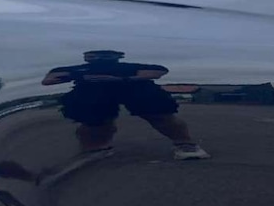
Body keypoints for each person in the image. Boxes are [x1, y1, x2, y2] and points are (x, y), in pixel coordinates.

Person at [42, 49, 210, 160]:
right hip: (92, 93)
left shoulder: (131, 67)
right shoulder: (76, 69)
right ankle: (96, 149)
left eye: (106, 55)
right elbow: (48, 80)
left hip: (133, 88)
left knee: (161, 116)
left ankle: (185, 145)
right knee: (94, 122)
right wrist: (69, 77)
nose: (100, 58)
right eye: (94, 55)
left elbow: (159, 71)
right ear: (86, 57)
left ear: (118, 57)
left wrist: (123, 79)